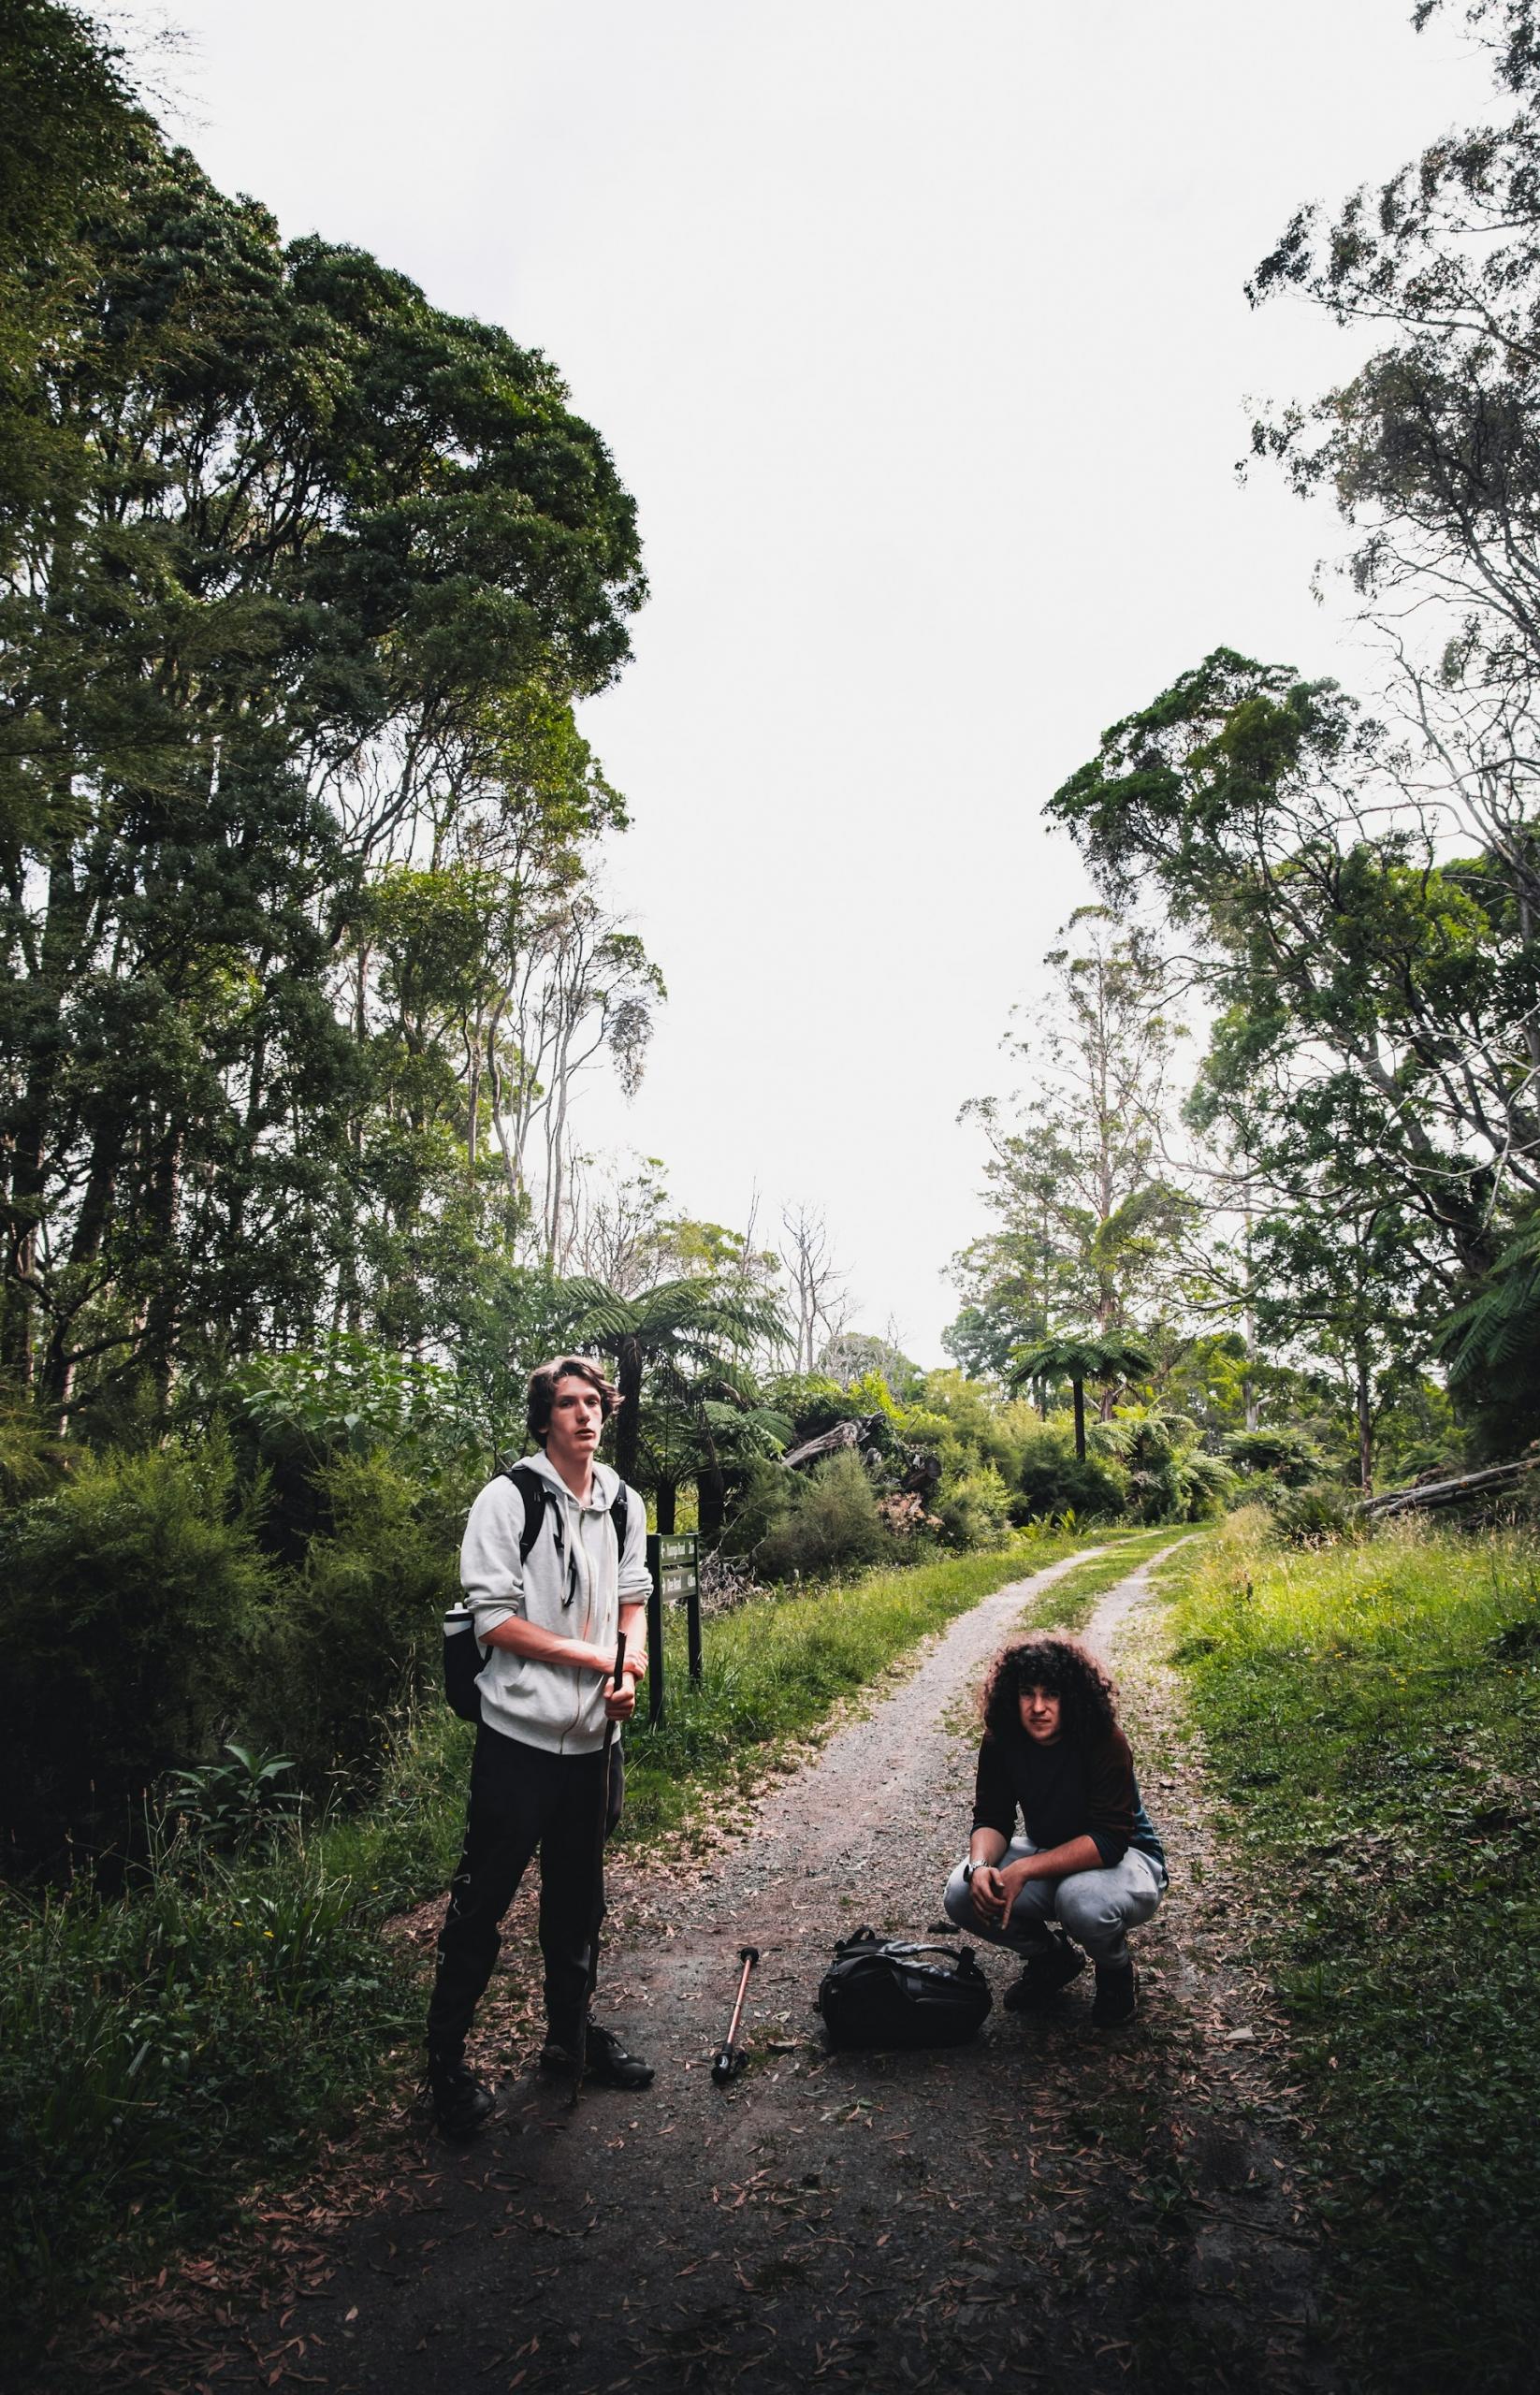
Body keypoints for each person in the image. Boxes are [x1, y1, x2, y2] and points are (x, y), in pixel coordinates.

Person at [426, 1356, 655, 2138]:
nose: (586, 1415)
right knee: (482, 1901)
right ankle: (445, 2070)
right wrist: (599, 1660)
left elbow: (633, 1603)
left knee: (577, 1903)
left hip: (594, 1743)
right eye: (569, 1403)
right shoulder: (507, 1500)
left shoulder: (624, 1502)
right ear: (544, 1417)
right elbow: (495, 1622)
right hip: (517, 1741)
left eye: (595, 1402)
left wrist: (631, 1669)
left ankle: (570, 2040)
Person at [942, 1633, 1167, 2027]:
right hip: (1052, 1853)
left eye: (1052, 1695)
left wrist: (1024, 1869)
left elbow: (1110, 1840)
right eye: (1027, 1693)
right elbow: (992, 1819)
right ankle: (1052, 1958)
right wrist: (980, 1867)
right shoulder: (1002, 1740)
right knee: (962, 1891)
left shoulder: (1103, 1739)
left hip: (1128, 1859)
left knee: (1079, 1899)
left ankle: (1115, 1970)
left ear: (1072, 1698)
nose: (1038, 1708)